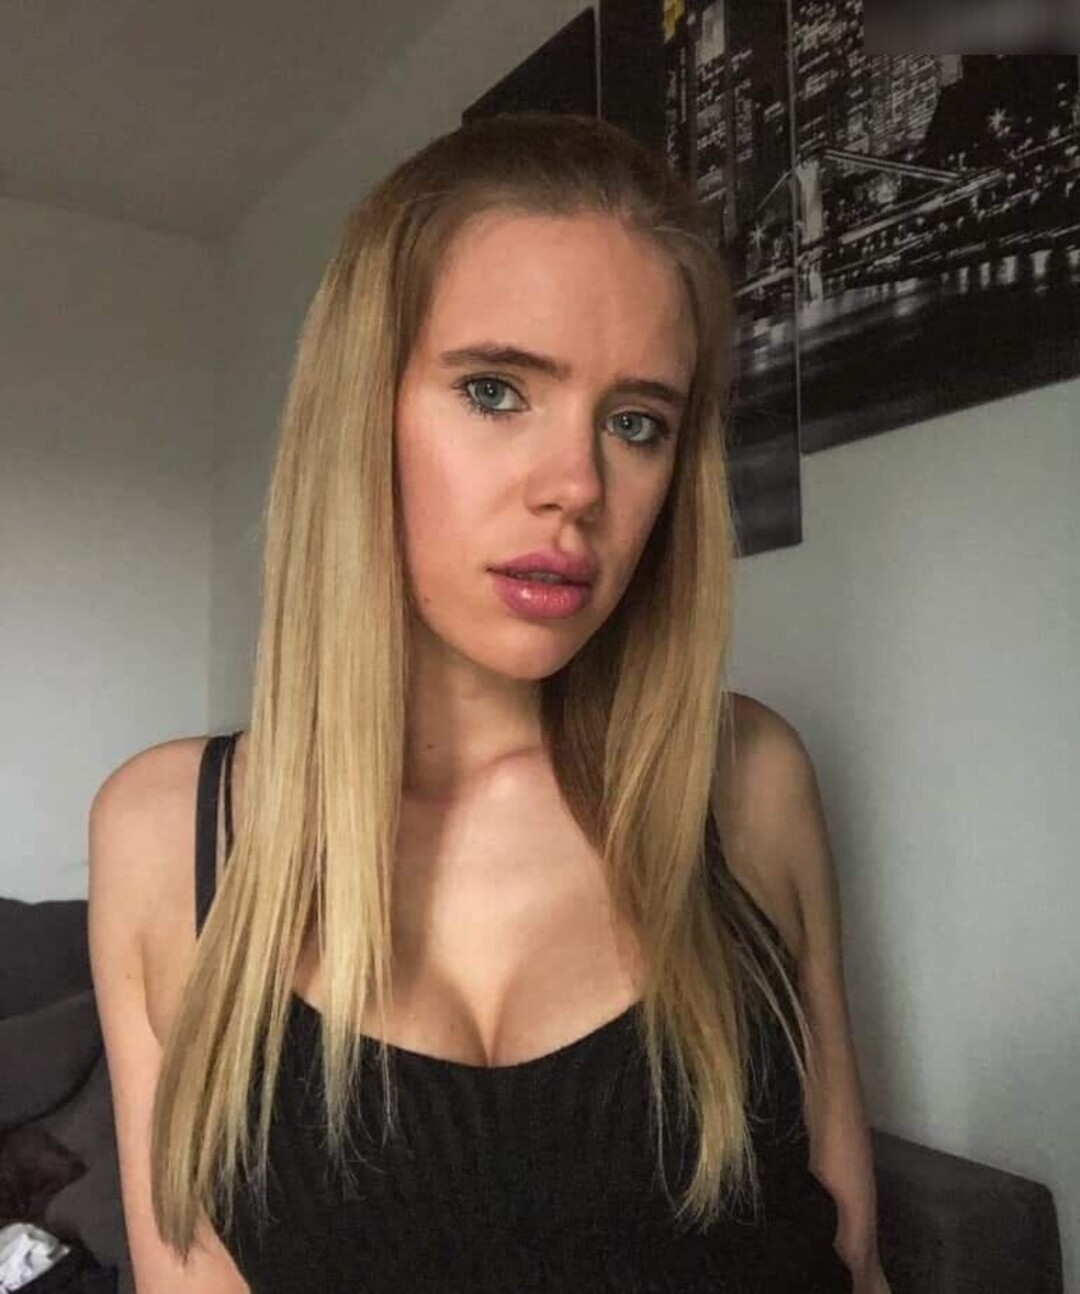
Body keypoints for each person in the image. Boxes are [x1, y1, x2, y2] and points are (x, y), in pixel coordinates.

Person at [87, 112, 891, 1293]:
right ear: (361, 412)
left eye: (636, 423)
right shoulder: (169, 833)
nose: (577, 487)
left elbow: (851, 1254)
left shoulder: (746, 781)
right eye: (496, 390)